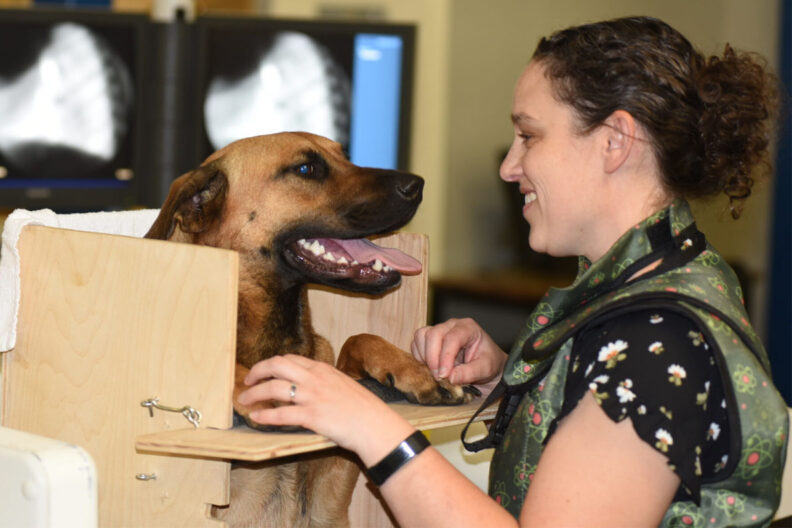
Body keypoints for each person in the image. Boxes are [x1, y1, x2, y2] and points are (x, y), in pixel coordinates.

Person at [237, 16, 787, 527]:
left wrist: (372, 428)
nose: (508, 166)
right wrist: (514, 380)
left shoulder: (657, 344)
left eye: (530, 136)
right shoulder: (670, 274)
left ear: (615, 142)